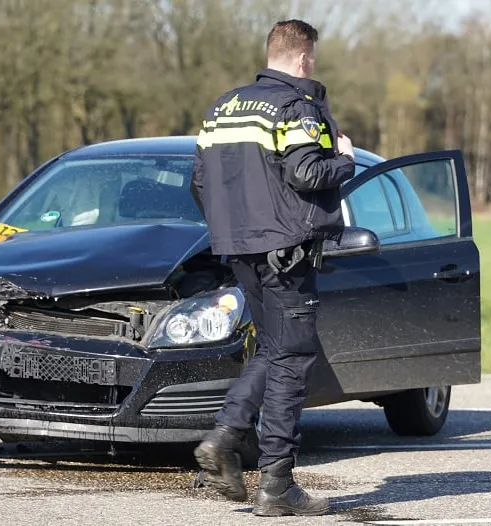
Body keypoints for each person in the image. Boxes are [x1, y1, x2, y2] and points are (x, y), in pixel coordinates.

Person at [189, 19, 355, 517]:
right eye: (313, 58)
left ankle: (225, 437)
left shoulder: (223, 107)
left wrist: (234, 229)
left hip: (238, 250)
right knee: (292, 359)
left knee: (274, 349)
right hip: (287, 251)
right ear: (303, 58)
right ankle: (276, 485)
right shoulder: (296, 106)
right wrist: (345, 159)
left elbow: (199, 183)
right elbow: (306, 172)